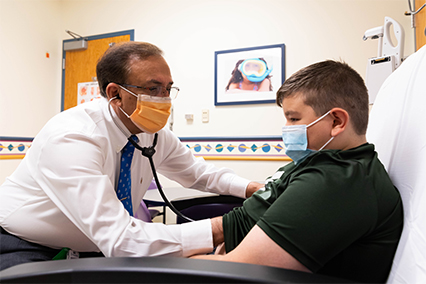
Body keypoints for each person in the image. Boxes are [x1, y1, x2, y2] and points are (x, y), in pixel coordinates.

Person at [0, 41, 262, 271]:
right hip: (25, 243)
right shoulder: (72, 138)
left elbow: (197, 173)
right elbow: (122, 240)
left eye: (168, 89)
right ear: (115, 93)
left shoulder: (152, 132)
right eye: (153, 88)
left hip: (95, 245)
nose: (164, 99)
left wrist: (254, 189)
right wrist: (226, 226)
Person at [192, 60, 403, 283]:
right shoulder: (316, 162)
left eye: (294, 118)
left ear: (337, 121)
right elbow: (246, 219)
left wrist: (165, 260)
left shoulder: (337, 182)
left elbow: (241, 270)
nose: (286, 128)